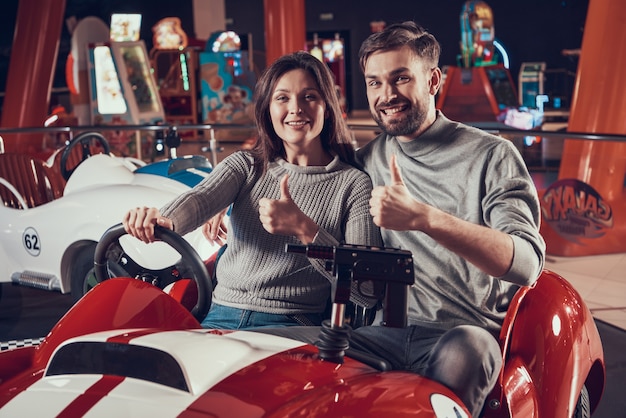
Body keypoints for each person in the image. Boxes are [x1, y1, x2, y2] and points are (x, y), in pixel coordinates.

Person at [208, 22, 546, 416]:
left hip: (459, 334)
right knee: (266, 349)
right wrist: (231, 201)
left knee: (466, 351)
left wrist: (425, 218)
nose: (387, 95)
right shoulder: (367, 162)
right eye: (374, 83)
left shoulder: (492, 155)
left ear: (433, 79)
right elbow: (301, 167)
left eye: (401, 78)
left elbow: (526, 265)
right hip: (376, 334)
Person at [123, 51, 382, 330]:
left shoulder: (353, 184)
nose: (296, 108)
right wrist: (162, 219)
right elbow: (200, 199)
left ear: (327, 107)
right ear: (268, 109)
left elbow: (366, 292)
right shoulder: (246, 165)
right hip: (221, 314)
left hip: (292, 324)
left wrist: (305, 230)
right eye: (282, 98)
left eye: (309, 96)